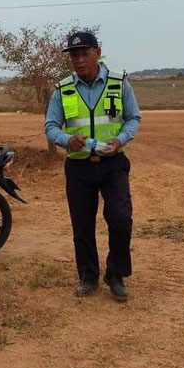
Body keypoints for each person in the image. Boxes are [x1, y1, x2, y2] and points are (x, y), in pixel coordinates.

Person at [44, 31, 141, 301]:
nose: (79, 60)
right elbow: (51, 126)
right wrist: (66, 140)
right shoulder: (63, 89)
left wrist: (121, 140)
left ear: (98, 53)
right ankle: (88, 277)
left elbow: (133, 118)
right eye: (74, 55)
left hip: (113, 164)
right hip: (79, 167)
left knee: (121, 220)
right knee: (82, 224)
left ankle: (116, 274)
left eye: (85, 53)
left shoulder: (118, 82)